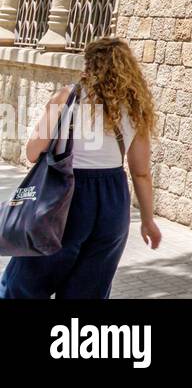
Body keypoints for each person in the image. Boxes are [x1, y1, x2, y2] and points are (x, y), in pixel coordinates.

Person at [0, 37, 162, 298]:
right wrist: (147, 220)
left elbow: (32, 153)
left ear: (89, 65)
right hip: (113, 202)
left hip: (65, 197)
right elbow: (140, 172)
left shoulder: (66, 98)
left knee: (25, 282)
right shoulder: (135, 111)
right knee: (89, 290)